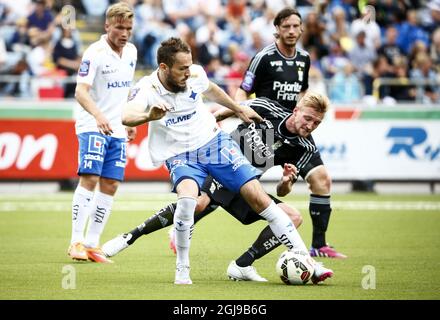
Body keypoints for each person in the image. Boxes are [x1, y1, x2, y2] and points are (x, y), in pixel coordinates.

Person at [117, 37, 333, 285]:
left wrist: (287, 181)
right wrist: (217, 121)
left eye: (316, 123)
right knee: (194, 203)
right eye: (308, 118)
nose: (310, 125)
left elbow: (285, 189)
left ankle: (244, 265)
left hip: (240, 180)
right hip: (217, 159)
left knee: (292, 215)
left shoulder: (304, 146)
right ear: (296, 110)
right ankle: (145, 236)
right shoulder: (267, 108)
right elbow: (233, 106)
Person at [235, 7, 346, 258]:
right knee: (230, 187)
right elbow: (243, 91)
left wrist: (306, 118)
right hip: (266, 132)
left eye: (296, 26)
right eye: (286, 26)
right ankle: (181, 226)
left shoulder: (304, 59)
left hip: (296, 130)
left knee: (321, 179)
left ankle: (319, 245)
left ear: (302, 28)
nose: (292, 31)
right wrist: (240, 113)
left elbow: (303, 94)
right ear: (277, 29)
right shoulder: (264, 57)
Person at [67, 2, 137, 264]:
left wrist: (129, 119)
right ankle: (75, 241)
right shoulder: (94, 52)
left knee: (111, 183)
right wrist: (98, 116)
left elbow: (126, 90)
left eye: (128, 28)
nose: (124, 33)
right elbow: (80, 92)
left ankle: (92, 244)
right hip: (92, 125)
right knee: (90, 177)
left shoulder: (131, 51)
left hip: (117, 128)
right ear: (107, 25)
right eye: (119, 27)